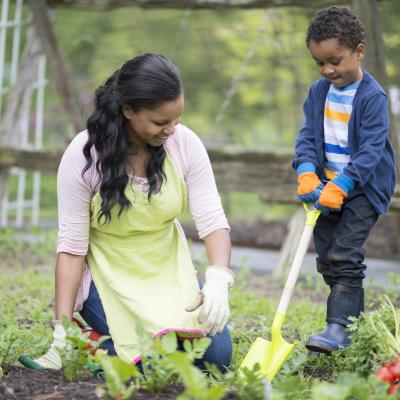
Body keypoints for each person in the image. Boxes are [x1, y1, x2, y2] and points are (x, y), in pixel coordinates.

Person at [19, 53, 234, 371]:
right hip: (108, 276)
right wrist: (61, 332)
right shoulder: (84, 157)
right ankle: (83, 340)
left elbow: (213, 220)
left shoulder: (184, 144)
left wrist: (217, 278)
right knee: (156, 359)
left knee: (216, 357)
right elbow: (72, 248)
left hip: (166, 271)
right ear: (128, 110)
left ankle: (103, 348)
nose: (171, 130)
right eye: (160, 122)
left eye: (176, 120)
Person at [293, 6, 396, 354]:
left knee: (345, 254)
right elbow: (307, 135)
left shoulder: (372, 97)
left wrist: (344, 184)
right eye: (319, 63)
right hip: (326, 187)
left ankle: (338, 328)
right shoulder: (318, 92)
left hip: (363, 187)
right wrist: (307, 171)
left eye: (335, 60)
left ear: (359, 51)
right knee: (328, 259)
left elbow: (370, 152)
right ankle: (352, 322)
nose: (327, 70)